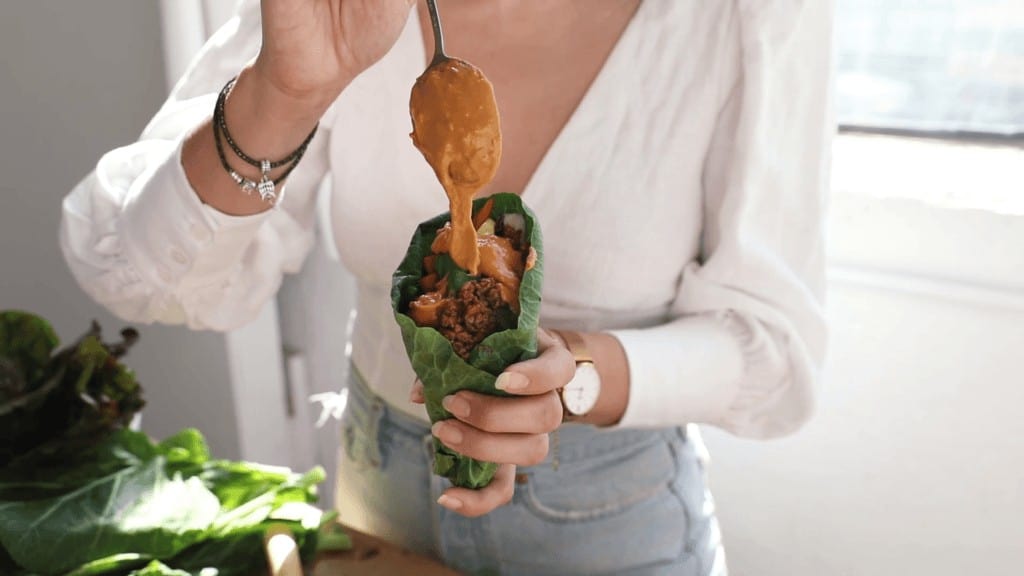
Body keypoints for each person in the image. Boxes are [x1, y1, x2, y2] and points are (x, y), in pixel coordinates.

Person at [60, 0, 833, 574]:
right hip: (374, 493)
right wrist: (284, 94)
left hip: (611, 520)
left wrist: (572, 379)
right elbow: (134, 275)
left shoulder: (750, 15)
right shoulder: (346, 9)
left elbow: (774, 350)